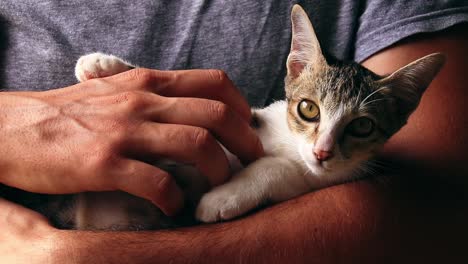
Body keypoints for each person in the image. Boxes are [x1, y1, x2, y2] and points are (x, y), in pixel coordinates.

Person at [0, 0, 467, 263]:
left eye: (359, 128)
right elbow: (173, 117)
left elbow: (440, 210)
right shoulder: (269, 118)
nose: (325, 148)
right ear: (297, 68)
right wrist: (128, 78)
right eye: (308, 111)